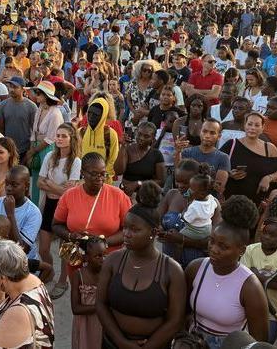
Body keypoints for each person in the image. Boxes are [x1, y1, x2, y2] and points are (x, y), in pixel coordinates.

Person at [96, 181, 185, 349]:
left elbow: (175, 320)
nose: (126, 234)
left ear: (153, 233)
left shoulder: (172, 271)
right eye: (125, 228)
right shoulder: (113, 261)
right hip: (112, 343)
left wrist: (148, 346)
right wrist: (121, 342)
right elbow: (101, 304)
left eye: (135, 230)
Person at [185, 195, 269, 347]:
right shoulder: (196, 268)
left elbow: (259, 342)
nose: (214, 249)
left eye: (223, 247)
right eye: (212, 241)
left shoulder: (250, 287)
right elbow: (182, 314)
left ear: (241, 250)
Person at [52, 153, 132, 294]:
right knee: (81, 301)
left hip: (109, 262)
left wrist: (102, 242)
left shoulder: (118, 196)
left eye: (102, 174)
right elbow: (56, 225)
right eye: (94, 174)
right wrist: (71, 236)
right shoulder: (69, 196)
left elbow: (129, 231)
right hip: (77, 262)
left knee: (109, 302)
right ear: (82, 173)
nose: (99, 178)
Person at [37, 123, 81, 287]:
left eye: (64, 136)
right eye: (58, 135)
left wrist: (50, 184)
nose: (59, 139)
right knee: (43, 248)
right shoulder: (50, 157)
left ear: (71, 139)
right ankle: (50, 270)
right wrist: (58, 188)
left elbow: (68, 193)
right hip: (49, 204)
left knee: (66, 248)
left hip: (66, 208)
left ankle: (63, 280)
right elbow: (39, 183)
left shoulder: (75, 161)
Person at [241, 218, 277, 343]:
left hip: (272, 313)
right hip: (247, 308)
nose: (266, 237)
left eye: (272, 235)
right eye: (265, 232)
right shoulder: (250, 250)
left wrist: (255, 274)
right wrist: (272, 278)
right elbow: (243, 279)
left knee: (264, 344)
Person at [221, 112, 277, 206]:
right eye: (249, 124)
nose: (252, 128)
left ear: (262, 128)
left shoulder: (269, 148)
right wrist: (229, 174)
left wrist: (269, 178)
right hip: (230, 200)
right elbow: (218, 166)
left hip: (257, 202)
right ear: (244, 125)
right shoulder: (231, 144)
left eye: (257, 125)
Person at [0, 166, 42, 260]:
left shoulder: (33, 213)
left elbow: (22, 250)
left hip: (21, 263)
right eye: (7, 184)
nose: (8, 188)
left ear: (26, 186)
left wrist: (10, 214)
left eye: (14, 185)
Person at [24, 80, 64, 206]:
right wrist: (32, 148)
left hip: (48, 149)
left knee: (44, 180)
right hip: (36, 146)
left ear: (45, 96)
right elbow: (34, 132)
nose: (36, 95)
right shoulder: (40, 108)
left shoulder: (55, 114)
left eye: (38, 93)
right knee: (36, 180)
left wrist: (32, 152)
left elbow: (50, 139)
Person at [177, 118, 231, 195]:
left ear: (219, 136)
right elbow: (179, 177)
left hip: (208, 202)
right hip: (185, 198)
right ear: (200, 132)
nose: (207, 136)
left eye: (212, 133)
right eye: (204, 131)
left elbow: (219, 188)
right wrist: (177, 152)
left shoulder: (223, 158)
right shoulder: (187, 152)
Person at [70, 236, 106, 349]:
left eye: (104, 254)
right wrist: (102, 307)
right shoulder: (78, 275)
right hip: (85, 325)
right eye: (98, 256)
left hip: (105, 323)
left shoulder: (108, 272)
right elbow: (75, 308)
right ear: (86, 257)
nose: (103, 259)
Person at [115, 122, 166, 196]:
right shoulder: (128, 149)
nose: (141, 138)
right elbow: (118, 171)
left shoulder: (156, 154)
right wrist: (123, 146)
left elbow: (161, 181)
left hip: (147, 196)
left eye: (146, 136)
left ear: (153, 138)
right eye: (139, 134)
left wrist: (138, 183)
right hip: (126, 194)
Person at [0, 76, 37, 160]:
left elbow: (35, 130)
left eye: (15, 87)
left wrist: (31, 150)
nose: (11, 89)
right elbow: (0, 128)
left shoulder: (31, 106)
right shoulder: (3, 105)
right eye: (10, 87)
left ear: (23, 89)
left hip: (24, 149)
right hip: (7, 149)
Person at [80, 97, 119, 180]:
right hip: (83, 180)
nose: (91, 117)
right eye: (89, 113)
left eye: (96, 115)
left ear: (103, 115)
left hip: (103, 181)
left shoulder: (110, 134)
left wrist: (103, 176)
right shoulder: (80, 133)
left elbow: (113, 159)